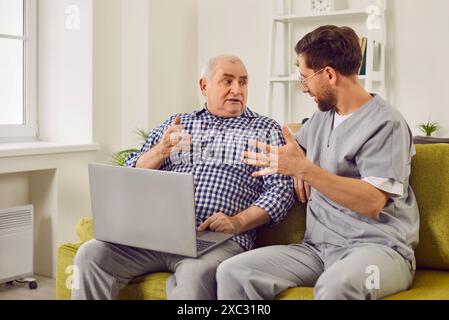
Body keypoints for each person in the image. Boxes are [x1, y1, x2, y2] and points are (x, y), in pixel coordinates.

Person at [216, 26, 419, 300]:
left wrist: (305, 170)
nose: (303, 88)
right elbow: (295, 150)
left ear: (329, 75)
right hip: (317, 249)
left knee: (336, 286)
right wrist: (297, 163)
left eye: (305, 78)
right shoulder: (323, 118)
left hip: (378, 251)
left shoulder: (387, 124)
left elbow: (372, 202)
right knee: (233, 272)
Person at [71, 54, 294, 300]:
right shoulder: (178, 124)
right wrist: (160, 150)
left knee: (196, 274)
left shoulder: (266, 129)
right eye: (227, 81)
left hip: (218, 240)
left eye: (243, 82)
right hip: (155, 234)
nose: (236, 90)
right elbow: (128, 173)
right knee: (91, 254)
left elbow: (280, 191)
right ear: (204, 86)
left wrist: (238, 222)